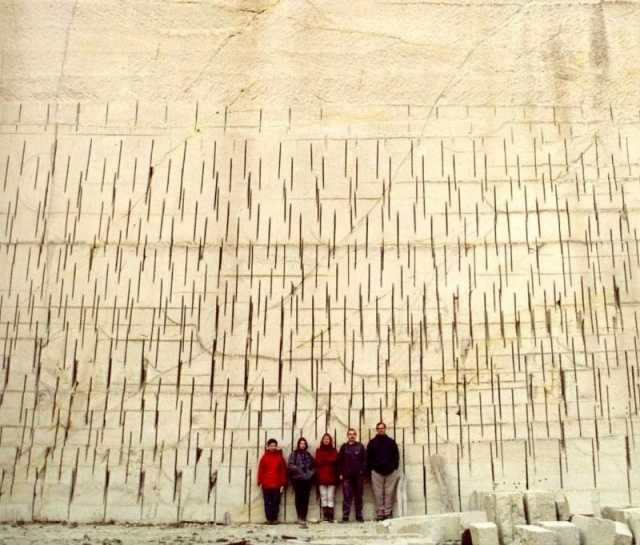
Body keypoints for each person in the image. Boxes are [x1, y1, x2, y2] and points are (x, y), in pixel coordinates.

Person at [366, 422, 400, 521]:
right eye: (379, 428)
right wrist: (371, 469)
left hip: (390, 471)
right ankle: (380, 512)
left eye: (382, 428)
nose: (381, 430)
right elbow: (368, 456)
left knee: (389, 492)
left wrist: (394, 467)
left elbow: (396, 455)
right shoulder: (372, 443)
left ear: (385, 429)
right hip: (376, 471)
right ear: (377, 430)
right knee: (378, 493)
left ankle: (388, 512)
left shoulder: (391, 442)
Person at [338, 428, 366, 522]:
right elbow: (340, 461)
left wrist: (362, 471)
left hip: (358, 476)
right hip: (347, 476)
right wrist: (340, 473)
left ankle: (359, 516)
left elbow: (364, 460)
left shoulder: (360, 446)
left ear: (356, 435)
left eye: (354, 434)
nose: (352, 436)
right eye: (350, 434)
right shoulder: (344, 447)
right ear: (347, 436)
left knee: (358, 497)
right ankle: (345, 516)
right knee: (346, 497)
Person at [257, 438, 288, 524]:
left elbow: (283, 471)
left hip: (277, 484)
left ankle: (274, 519)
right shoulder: (264, 457)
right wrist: (260, 481)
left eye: (274, 446)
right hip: (266, 484)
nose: (273, 447)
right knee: (267, 502)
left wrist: (283, 484)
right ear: (268, 447)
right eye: (271, 446)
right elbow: (261, 470)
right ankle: (268, 519)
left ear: (276, 447)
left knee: (276, 502)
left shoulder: (280, 458)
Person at [287, 437, 316, 523]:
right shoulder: (294, 454)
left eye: (304, 444)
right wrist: (299, 470)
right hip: (297, 480)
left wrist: (310, 473)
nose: (302, 445)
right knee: (298, 498)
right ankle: (299, 516)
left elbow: (314, 467)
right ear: (298, 444)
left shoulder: (308, 455)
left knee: (305, 499)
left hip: (307, 480)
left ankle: (304, 516)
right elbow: (290, 465)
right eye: (301, 444)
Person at [314, 433, 339, 522]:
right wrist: (328, 460)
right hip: (321, 476)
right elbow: (318, 461)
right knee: (323, 496)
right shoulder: (318, 450)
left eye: (328, 439)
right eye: (325, 439)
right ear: (322, 440)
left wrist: (325, 460)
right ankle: (325, 515)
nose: (326, 440)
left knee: (330, 496)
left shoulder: (333, 450)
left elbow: (335, 459)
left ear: (330, 440)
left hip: (331, 476)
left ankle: (330, 515)